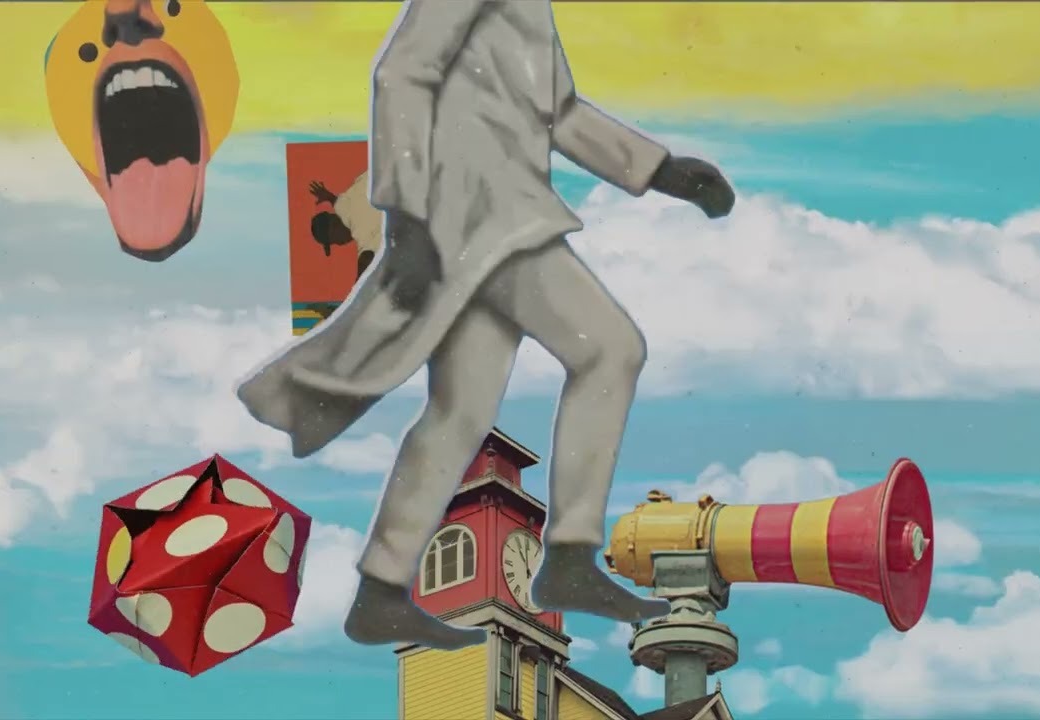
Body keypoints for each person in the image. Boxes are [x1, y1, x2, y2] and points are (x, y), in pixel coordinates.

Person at [237, 0, 735, 650]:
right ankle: (569, 556)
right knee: (610, 350)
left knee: (459, 413)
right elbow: (401, 72)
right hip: (482, 218)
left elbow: (559, 112)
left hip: (491, 223)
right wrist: (405, 215)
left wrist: (658, 170)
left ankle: (380, 590)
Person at [309, 174, 381, 278]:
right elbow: (338, 203)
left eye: (334, 240)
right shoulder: (349, 197)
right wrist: (329, 196)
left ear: (334, 227)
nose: (340, 244)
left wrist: (358, 283)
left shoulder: (360, 230)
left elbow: (366, 257)